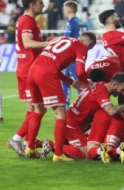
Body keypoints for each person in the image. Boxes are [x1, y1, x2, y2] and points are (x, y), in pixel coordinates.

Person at [25, 32, 97, 162]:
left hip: (32, 71)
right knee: (61, 114)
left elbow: (54, 65)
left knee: (39, 110)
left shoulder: (62, 39)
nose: (87, 50)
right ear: (89, 43)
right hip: (47, 75)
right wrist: (87, 81)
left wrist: (70, 82)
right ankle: (58, 154)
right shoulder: (81, 47)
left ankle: (30, 148)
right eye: (89, 49)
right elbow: (80, 72)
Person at [6, 0, 49, 156]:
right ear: (32, 5)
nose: (43, 5)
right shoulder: (28, 21)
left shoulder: (24, 20)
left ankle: (27, 142)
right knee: (40, 109)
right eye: (40, 3)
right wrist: (49, 43)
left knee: (33, 108)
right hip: (30, 70)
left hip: (26, 68)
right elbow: (27, 43)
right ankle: (17, 139)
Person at [62, 0, 81, 108]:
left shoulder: (70, 23)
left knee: (75, 81)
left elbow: (66, 40)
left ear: (69, 10)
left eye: (64, 9)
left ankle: (69, 105)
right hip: (79, 56)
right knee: (67, 79)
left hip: (71, 57)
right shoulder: (81, 22)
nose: (64, 11)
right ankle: (67, 106)